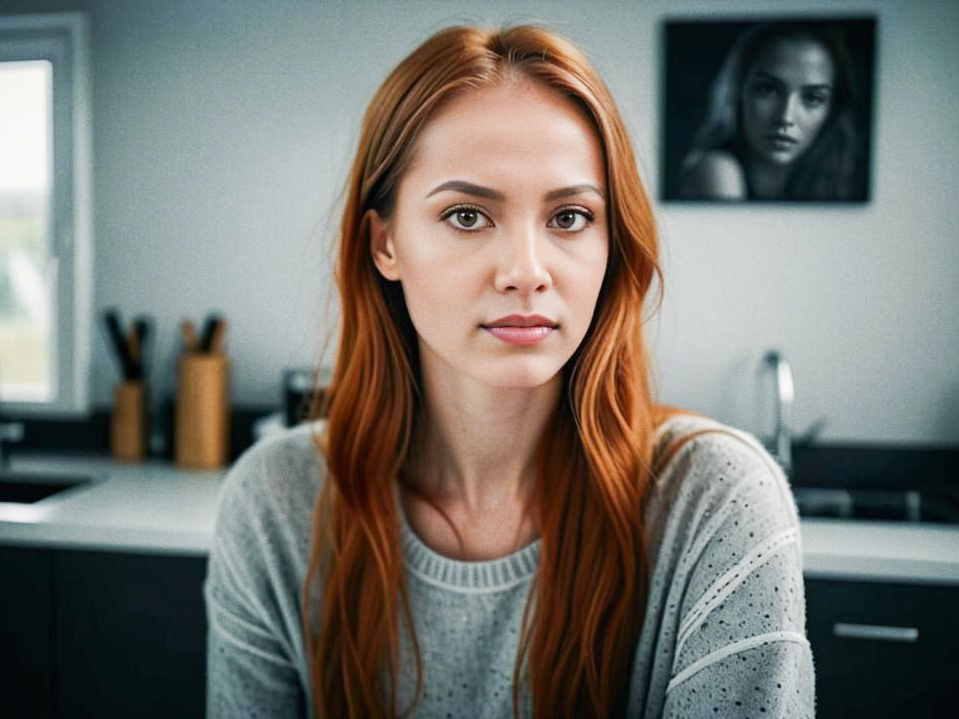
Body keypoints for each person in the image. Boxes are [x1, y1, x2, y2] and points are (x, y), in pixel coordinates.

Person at [204, 24, 815, 718]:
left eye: (570, 216)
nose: (526, 272)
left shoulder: (715, 503)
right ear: (385, 244)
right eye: (467, 215)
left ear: (611, 244)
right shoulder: (276, 504)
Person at [678, 22, 866, 201]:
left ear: (832, 109)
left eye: (812, 98)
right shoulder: (717, 169)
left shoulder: (837, 180)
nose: (786, 117)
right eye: (767, 90)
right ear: (738, 91)